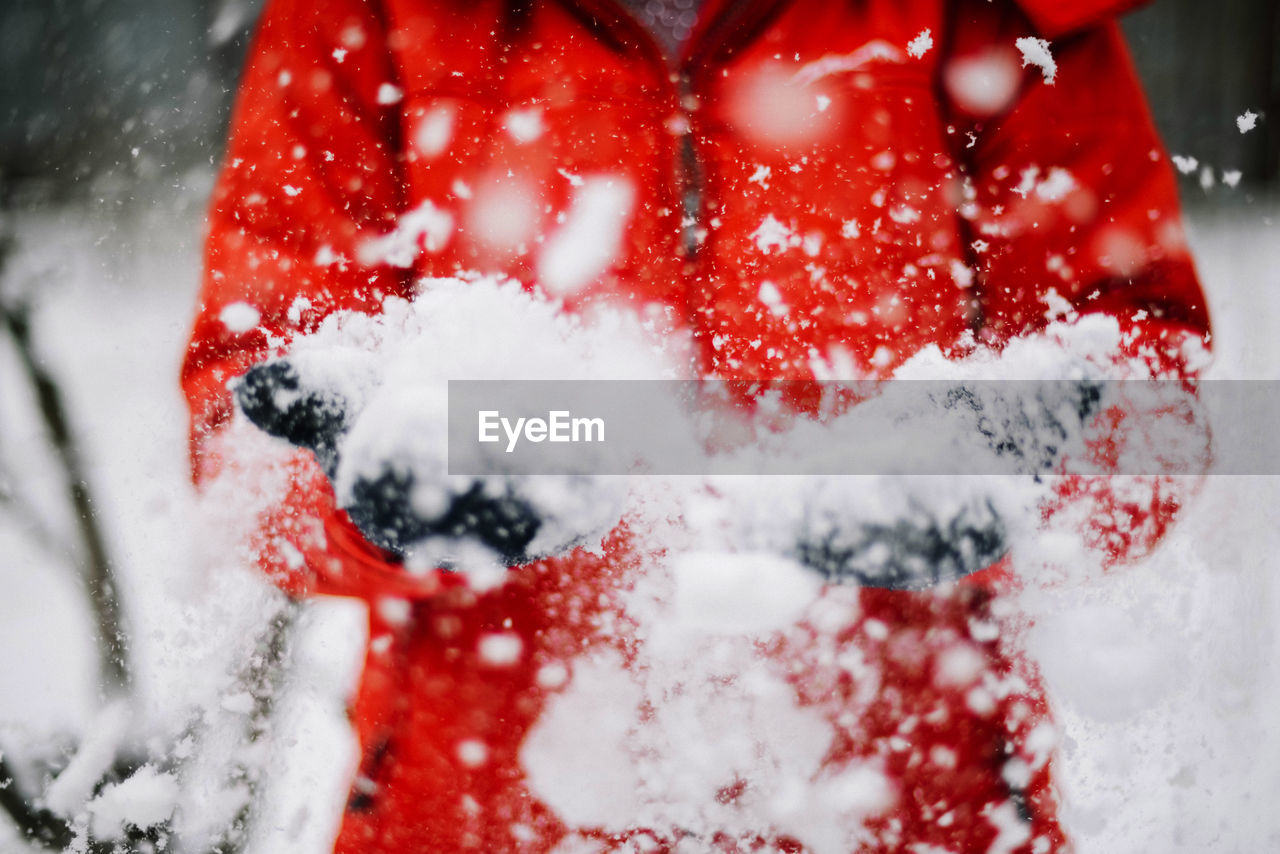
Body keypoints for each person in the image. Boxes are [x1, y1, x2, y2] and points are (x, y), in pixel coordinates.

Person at [181, 0, 1210, 851]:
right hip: (486, 809)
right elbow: (245, 430)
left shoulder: (993, 14)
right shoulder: (363, 12)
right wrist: (367, 489)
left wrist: (1004, 466)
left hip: (909, 804)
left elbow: (1143, 389)